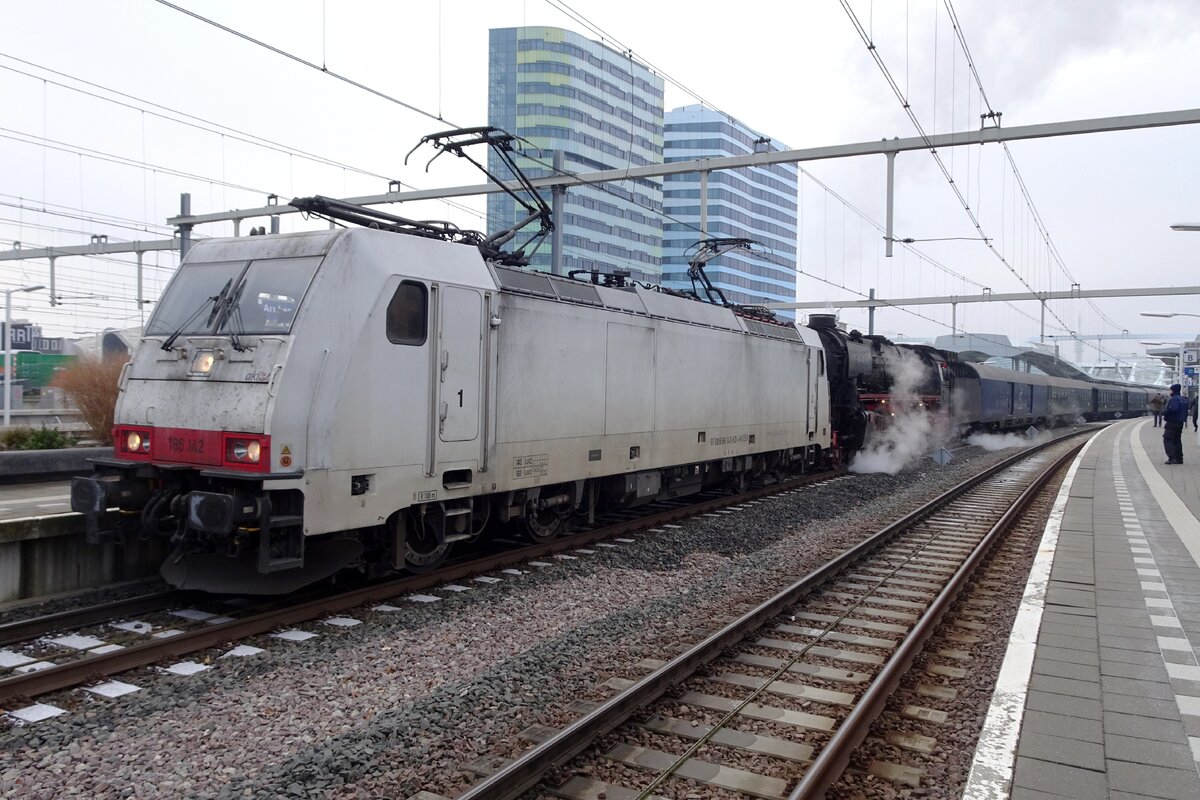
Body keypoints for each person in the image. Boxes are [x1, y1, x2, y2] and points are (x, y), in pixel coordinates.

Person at [1163, 384, 1188, 464]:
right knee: (1177, 440)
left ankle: (1172, 458)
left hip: (1172, 422)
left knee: (1167, 439)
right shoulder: (1183, 399)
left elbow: (1173, 409)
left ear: (1173, 390)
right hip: (1180, 423)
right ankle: (1179, 458)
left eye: (1170, 389)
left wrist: (1165, 413)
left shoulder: (1174, 399)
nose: (1169, 391)